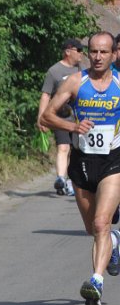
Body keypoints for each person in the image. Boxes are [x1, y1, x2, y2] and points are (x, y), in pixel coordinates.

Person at [41, 31, 120, 305]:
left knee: (101, 222)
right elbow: (47, 115)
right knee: (92, 229)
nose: (98, 57)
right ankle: (113, 241)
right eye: (93, 51)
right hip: (83, 161)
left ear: (113, 54)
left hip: (114, 160)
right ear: (88, 53)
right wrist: (73, 126)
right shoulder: (76, 81)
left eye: (104, 52)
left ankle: (96, 281)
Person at [37, 38, 85, 196]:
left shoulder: (82, 70)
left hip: (78, 118)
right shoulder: (54, 71)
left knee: (76, 150)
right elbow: (46, 95)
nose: (81, 54)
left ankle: (71, 180)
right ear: (68, 51)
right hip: (60, 118)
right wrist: (41, 117)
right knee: (63, 147)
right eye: (79, 50)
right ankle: (60, 179)